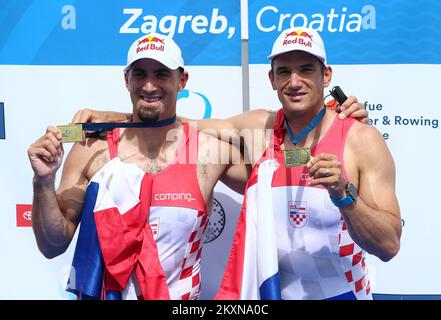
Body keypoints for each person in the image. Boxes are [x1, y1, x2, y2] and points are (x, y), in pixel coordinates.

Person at [70, 28, 395, 300]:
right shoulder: (261, 128)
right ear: (271, 78)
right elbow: (181, 125)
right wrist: (115, 118)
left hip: (341, 294)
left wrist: (345, 194)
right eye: (284, 71)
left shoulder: (360, 139)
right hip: (269, 294)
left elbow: (389, 245)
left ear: (326, 75)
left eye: (306, 69)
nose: (294, 81)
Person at [27, 32, 249, 300]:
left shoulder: (208, 153)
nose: (149, 85)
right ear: (126, 80)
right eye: (140, 74)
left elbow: (266, 149)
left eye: (161, 74)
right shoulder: (92, 150)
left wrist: (121, 118)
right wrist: (43, 182)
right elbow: (53, 245)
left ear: (182, 81)